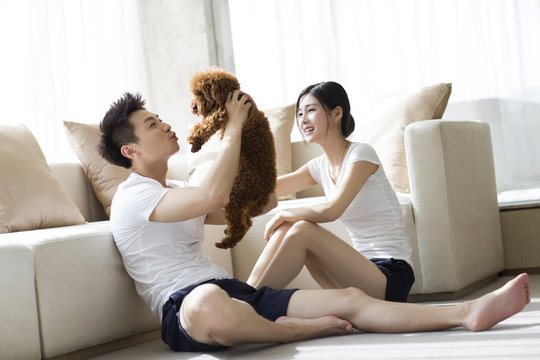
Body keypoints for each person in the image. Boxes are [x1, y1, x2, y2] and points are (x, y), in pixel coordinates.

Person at [98, 91, 530, 353]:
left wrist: (254, 147)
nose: (167, 126)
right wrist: (230, 129)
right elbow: (213, 195)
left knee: (349, 300)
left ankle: (467, 313)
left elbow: (242, 206)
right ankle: (290, 332)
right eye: (153, 125)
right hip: (185, 306)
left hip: (234, 296)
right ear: (130, 151)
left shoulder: (172, 189)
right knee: (207, 302)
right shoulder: (132, 199)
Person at [247, 81, 412, 302]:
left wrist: (288, 214)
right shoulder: (319, 166)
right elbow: (268, 188)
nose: (303, 119)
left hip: (390, 274)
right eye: (299, 114)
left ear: (336, 114)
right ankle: (247, 294)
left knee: (301, 229)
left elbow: (333, 209)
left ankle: (248, 302)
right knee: (291, 226)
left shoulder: (361, 154)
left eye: (311, 110)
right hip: (358, 273)